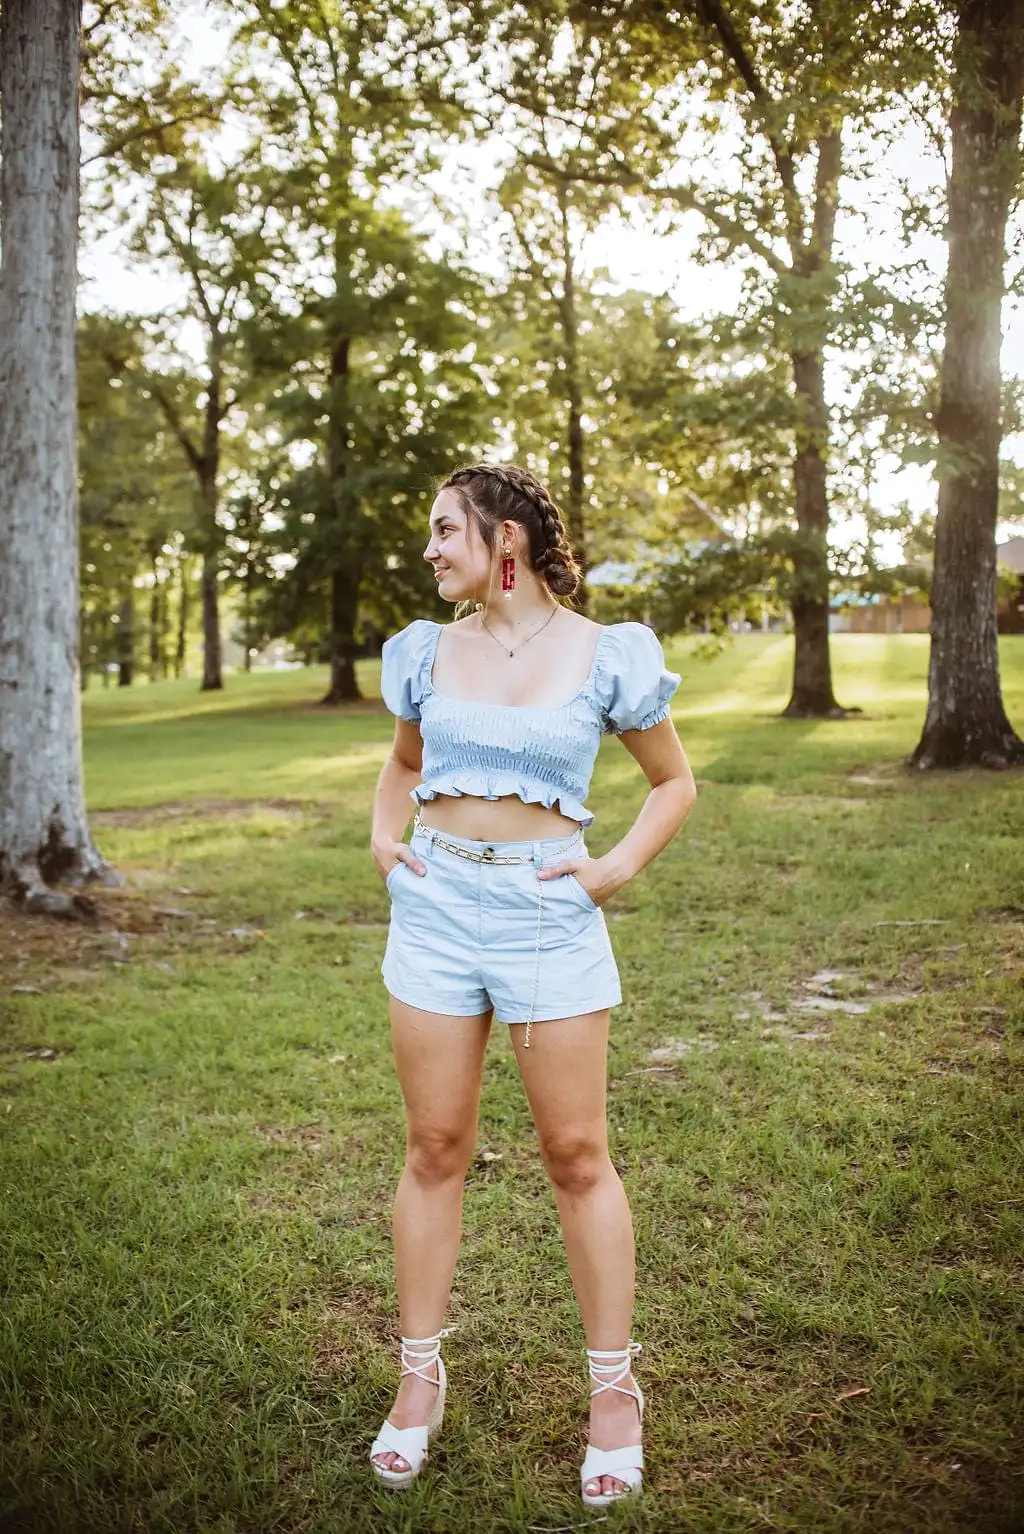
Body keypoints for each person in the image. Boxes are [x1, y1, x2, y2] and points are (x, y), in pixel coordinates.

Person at [368, 463, 697, 1507]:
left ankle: (614, 1391)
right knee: (432, 1148)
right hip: (433, 913)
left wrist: (615, 868)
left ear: (502, 537)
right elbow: (402, 763)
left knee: (576, 1153)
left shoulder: (606, 655)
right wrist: (385, 842)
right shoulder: (426, 652)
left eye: (442, 529)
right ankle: (419, 1377)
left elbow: (672, 780)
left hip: (548, 917)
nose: (428, 549)